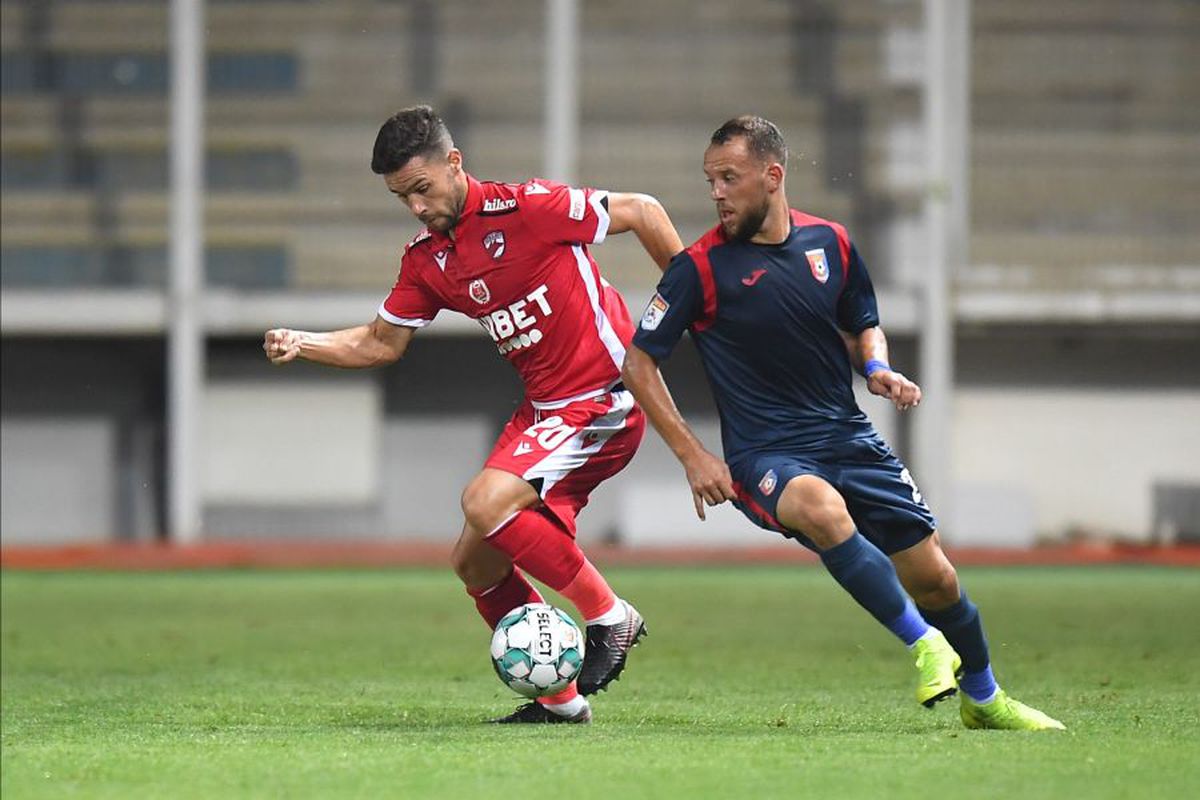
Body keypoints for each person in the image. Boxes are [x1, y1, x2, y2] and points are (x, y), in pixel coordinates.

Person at [621, 115, 1064, 731]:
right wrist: (694, 455)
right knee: (823, 510)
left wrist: (877, 366)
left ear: (773, 177)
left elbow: (861, 321)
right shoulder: (698, 269)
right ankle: (924, 644)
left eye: (729, 178)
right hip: (765, 454)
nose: (716, 193)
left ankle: (986, 699)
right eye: (710, 180)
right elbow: (637, 362)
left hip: (847, 436)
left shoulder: (831, 243)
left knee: (935, 577)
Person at [264, 105, 683, 724]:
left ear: (454, 163)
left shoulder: (529, 208)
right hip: (546, 412)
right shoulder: (428, 259)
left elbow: (644, 210)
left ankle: (610, 616)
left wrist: (687, 307)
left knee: (484, 502)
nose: (414, 206)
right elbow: (382, 342)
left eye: (421, 188)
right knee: (475, 560)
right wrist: (306, 342)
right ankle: (560, 704)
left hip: (603, 399)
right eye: (400, 196)